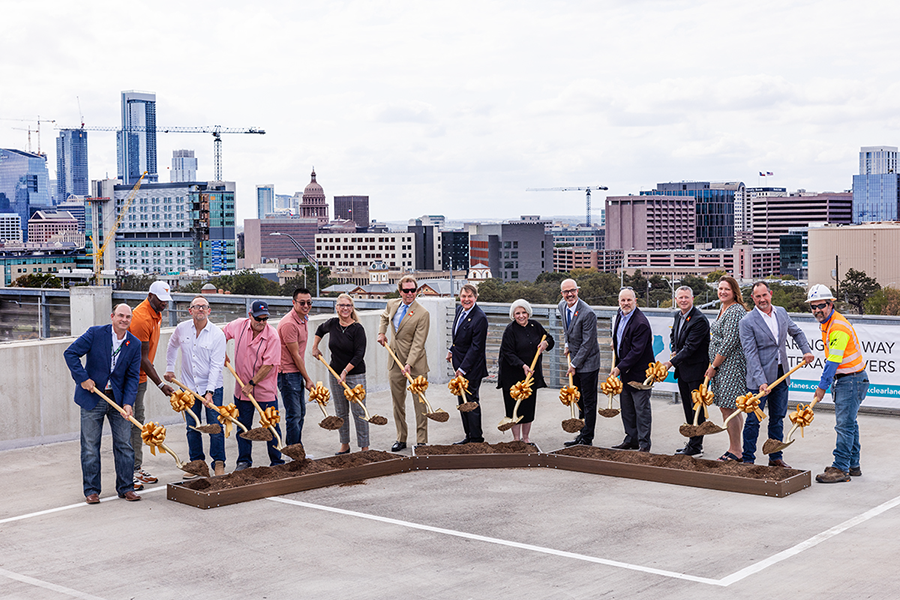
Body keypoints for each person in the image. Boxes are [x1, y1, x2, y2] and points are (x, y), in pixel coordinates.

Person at [64, 304, 142, 503]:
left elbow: (132, 377)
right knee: (90, 446)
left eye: (128, 317)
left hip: (117, 399)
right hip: (93, 397)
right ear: (112, 316)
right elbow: (70, 353)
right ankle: (91, 490)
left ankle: (126, 488)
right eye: (120, 316)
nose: (124, 320)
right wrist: (82, 378)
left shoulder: (134, 343)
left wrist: (128, 403)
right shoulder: (95, 333)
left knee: (125, 444)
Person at [739, 281, 814, 467]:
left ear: (770, 294)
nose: (762, 299)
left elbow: (796, 333)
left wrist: (806, 350)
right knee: (753, 421)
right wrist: (761, 382)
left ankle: (775, 457)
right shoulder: (747, 321)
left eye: (764, 295)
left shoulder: (781, 312)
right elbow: (750, 353)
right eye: (757, 296)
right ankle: (748, 459)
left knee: (777, 418)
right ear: (753, 298)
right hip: (759, 380)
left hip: (782, 375)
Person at [806, 284, 869, 483]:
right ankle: (853, 465)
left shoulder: (838, 327)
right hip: (849, 379)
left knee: (844, 426)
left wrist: (822, 387)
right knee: (850, 423)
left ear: (831, 304)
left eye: (821, 306)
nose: (817, 310)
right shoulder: (828, 323)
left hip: (851, 380)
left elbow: (833, 361)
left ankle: (841, 468)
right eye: (813, 307)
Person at [164, 295, 227, 477]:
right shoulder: (182, 329)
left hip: (212, 387)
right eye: (196, 306)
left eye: (204, 306)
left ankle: (218, 463)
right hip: (188, 387)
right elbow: (172, 345)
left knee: (215, 426)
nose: (200, 309)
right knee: (192, 427)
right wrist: (170, 368)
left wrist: (209, 392)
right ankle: (197, 464)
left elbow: (216, 366)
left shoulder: (217, 334)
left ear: (209, 311)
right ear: (190, 310)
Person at [222, 301, 285, 469]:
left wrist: (252, 383)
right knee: (243, 426)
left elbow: (269, 365)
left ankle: (277, 461)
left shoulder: (272, 336)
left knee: (271, 425)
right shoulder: (238, 325)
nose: (262, 322)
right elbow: (221, 335)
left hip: (264, 390)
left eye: (265, 319)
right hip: (241, 390)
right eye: (259, 319)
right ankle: (244, 461)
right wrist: (222, 352)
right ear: (250, 316)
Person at [129, 281, 175, 491]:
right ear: (150, 296)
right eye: (161, 300)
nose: (164, 304)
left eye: (166, 301)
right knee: (133, 425)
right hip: (131, 378)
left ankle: (136, 468)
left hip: (141, 377)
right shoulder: (141, 318)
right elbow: (142, 358)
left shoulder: (156, 313)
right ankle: (129, 473)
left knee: (138, 421)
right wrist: (160, 384)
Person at [311, 294, 369, 455]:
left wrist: (345, 372)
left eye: (348, 305)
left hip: (355, 375)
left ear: (352, 308)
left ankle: (364, 448)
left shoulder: (357, 329)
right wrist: (315, 347)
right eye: (341, 305)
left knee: (359, 411)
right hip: (334, 373)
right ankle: (345, 445)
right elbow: (319, 330)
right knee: (341, 411)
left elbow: (359, 354)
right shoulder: (332, 323)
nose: (345, 308)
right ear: (336, 307)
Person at [378, 275, 430, 452]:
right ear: (400, 291)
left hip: (415, 364)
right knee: (397, 403)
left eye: (413, 290)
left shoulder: (423, 313)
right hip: (394, 361)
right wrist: (381, 333)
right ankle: (401, 438)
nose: (410, 294)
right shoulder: (392, 304)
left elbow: (418, 342)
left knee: (420, 402)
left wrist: (409, 364)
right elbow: (384, 318)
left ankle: (422, 440)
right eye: (406, 290)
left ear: (417, 291)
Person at [497, 299, 554, 443]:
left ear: (528, 313)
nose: (521, 316)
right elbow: (507, 352)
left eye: (524, 312)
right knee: (513, 406)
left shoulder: (536, 326)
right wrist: (522, 365)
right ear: (513, 315)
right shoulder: (510, 330)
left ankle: (526, 438)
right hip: (513, 374)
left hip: (531, 374)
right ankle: (516, 439)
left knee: (528, 406)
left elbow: (549, 338)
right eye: (517, 313)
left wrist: (546, 343)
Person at [663, 286, 710, 458]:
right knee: (687, 408)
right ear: (676, 299)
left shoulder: (699, 320)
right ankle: (692, 441)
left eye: (686, 297)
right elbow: (673, 337)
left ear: (692, 298)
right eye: (680, 297)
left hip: (696, 371)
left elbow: (691, 347)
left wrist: (671, 361)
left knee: (696, 408)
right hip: (683, 370)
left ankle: (696, 446)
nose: (683, 300)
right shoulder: (677, 315)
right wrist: (675, 351)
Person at [705, 276, 748, 462]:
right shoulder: (723, 309)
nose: (722, 292)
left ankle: (736, 451)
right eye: (720, 288)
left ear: (734, 292)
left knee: (730, 408)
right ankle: (735, 447)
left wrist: (714, 365)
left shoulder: (736, 311)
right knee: (726, 407)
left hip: (730, 365)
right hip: (721, 366)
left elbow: (730, 341)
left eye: (727, 289)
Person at [610, 287, 655, 452]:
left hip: (640, 374)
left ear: (635, 301)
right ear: (619, 302)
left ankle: (644, 444)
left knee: (641, 410)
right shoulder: (620, 314)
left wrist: (618, 368)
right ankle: (631, 439)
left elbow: (637, 351)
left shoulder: (640, 323)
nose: (626, 303)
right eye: (623, 300)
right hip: (626, 372)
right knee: (627, 408)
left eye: (629, 300)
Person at [558, 278, 601, 446]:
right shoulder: (562, 306)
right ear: (562, 294)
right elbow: (566, 329)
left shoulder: (587, 313)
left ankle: (587, 438)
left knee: (589, 402)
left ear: (578, 291)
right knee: (579, 399)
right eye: (566, 292)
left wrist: (574, 365)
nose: (570, 294)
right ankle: (581, 433)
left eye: (572, 290)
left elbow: (588, 343)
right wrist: (567, 344)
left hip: (588, 363)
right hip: (574, 360)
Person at [447, 284, 489, 444]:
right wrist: (451, 350)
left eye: (470, 296)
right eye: (463, 296)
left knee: (471, 402)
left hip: (471, 368)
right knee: (462, 401)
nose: (466, 299)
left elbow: (476, 347)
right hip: (459, 364)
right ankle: (468, 436)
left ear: (476, 298)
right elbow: (459, 338)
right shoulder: (460, 311)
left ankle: (477, 438)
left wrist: (463, 369)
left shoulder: (480, 318)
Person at [277, 287, 315, 447]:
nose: (306, 306)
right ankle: (293, 451)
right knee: (294, 414)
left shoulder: (303, 318)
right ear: (294, 303)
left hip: (296, 372)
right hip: (287, 374)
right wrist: (308, 379)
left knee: (301, 413)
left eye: (309, 302)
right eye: (302, 303)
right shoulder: (289, 324)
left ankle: (295, 448)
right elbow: (295, 355)